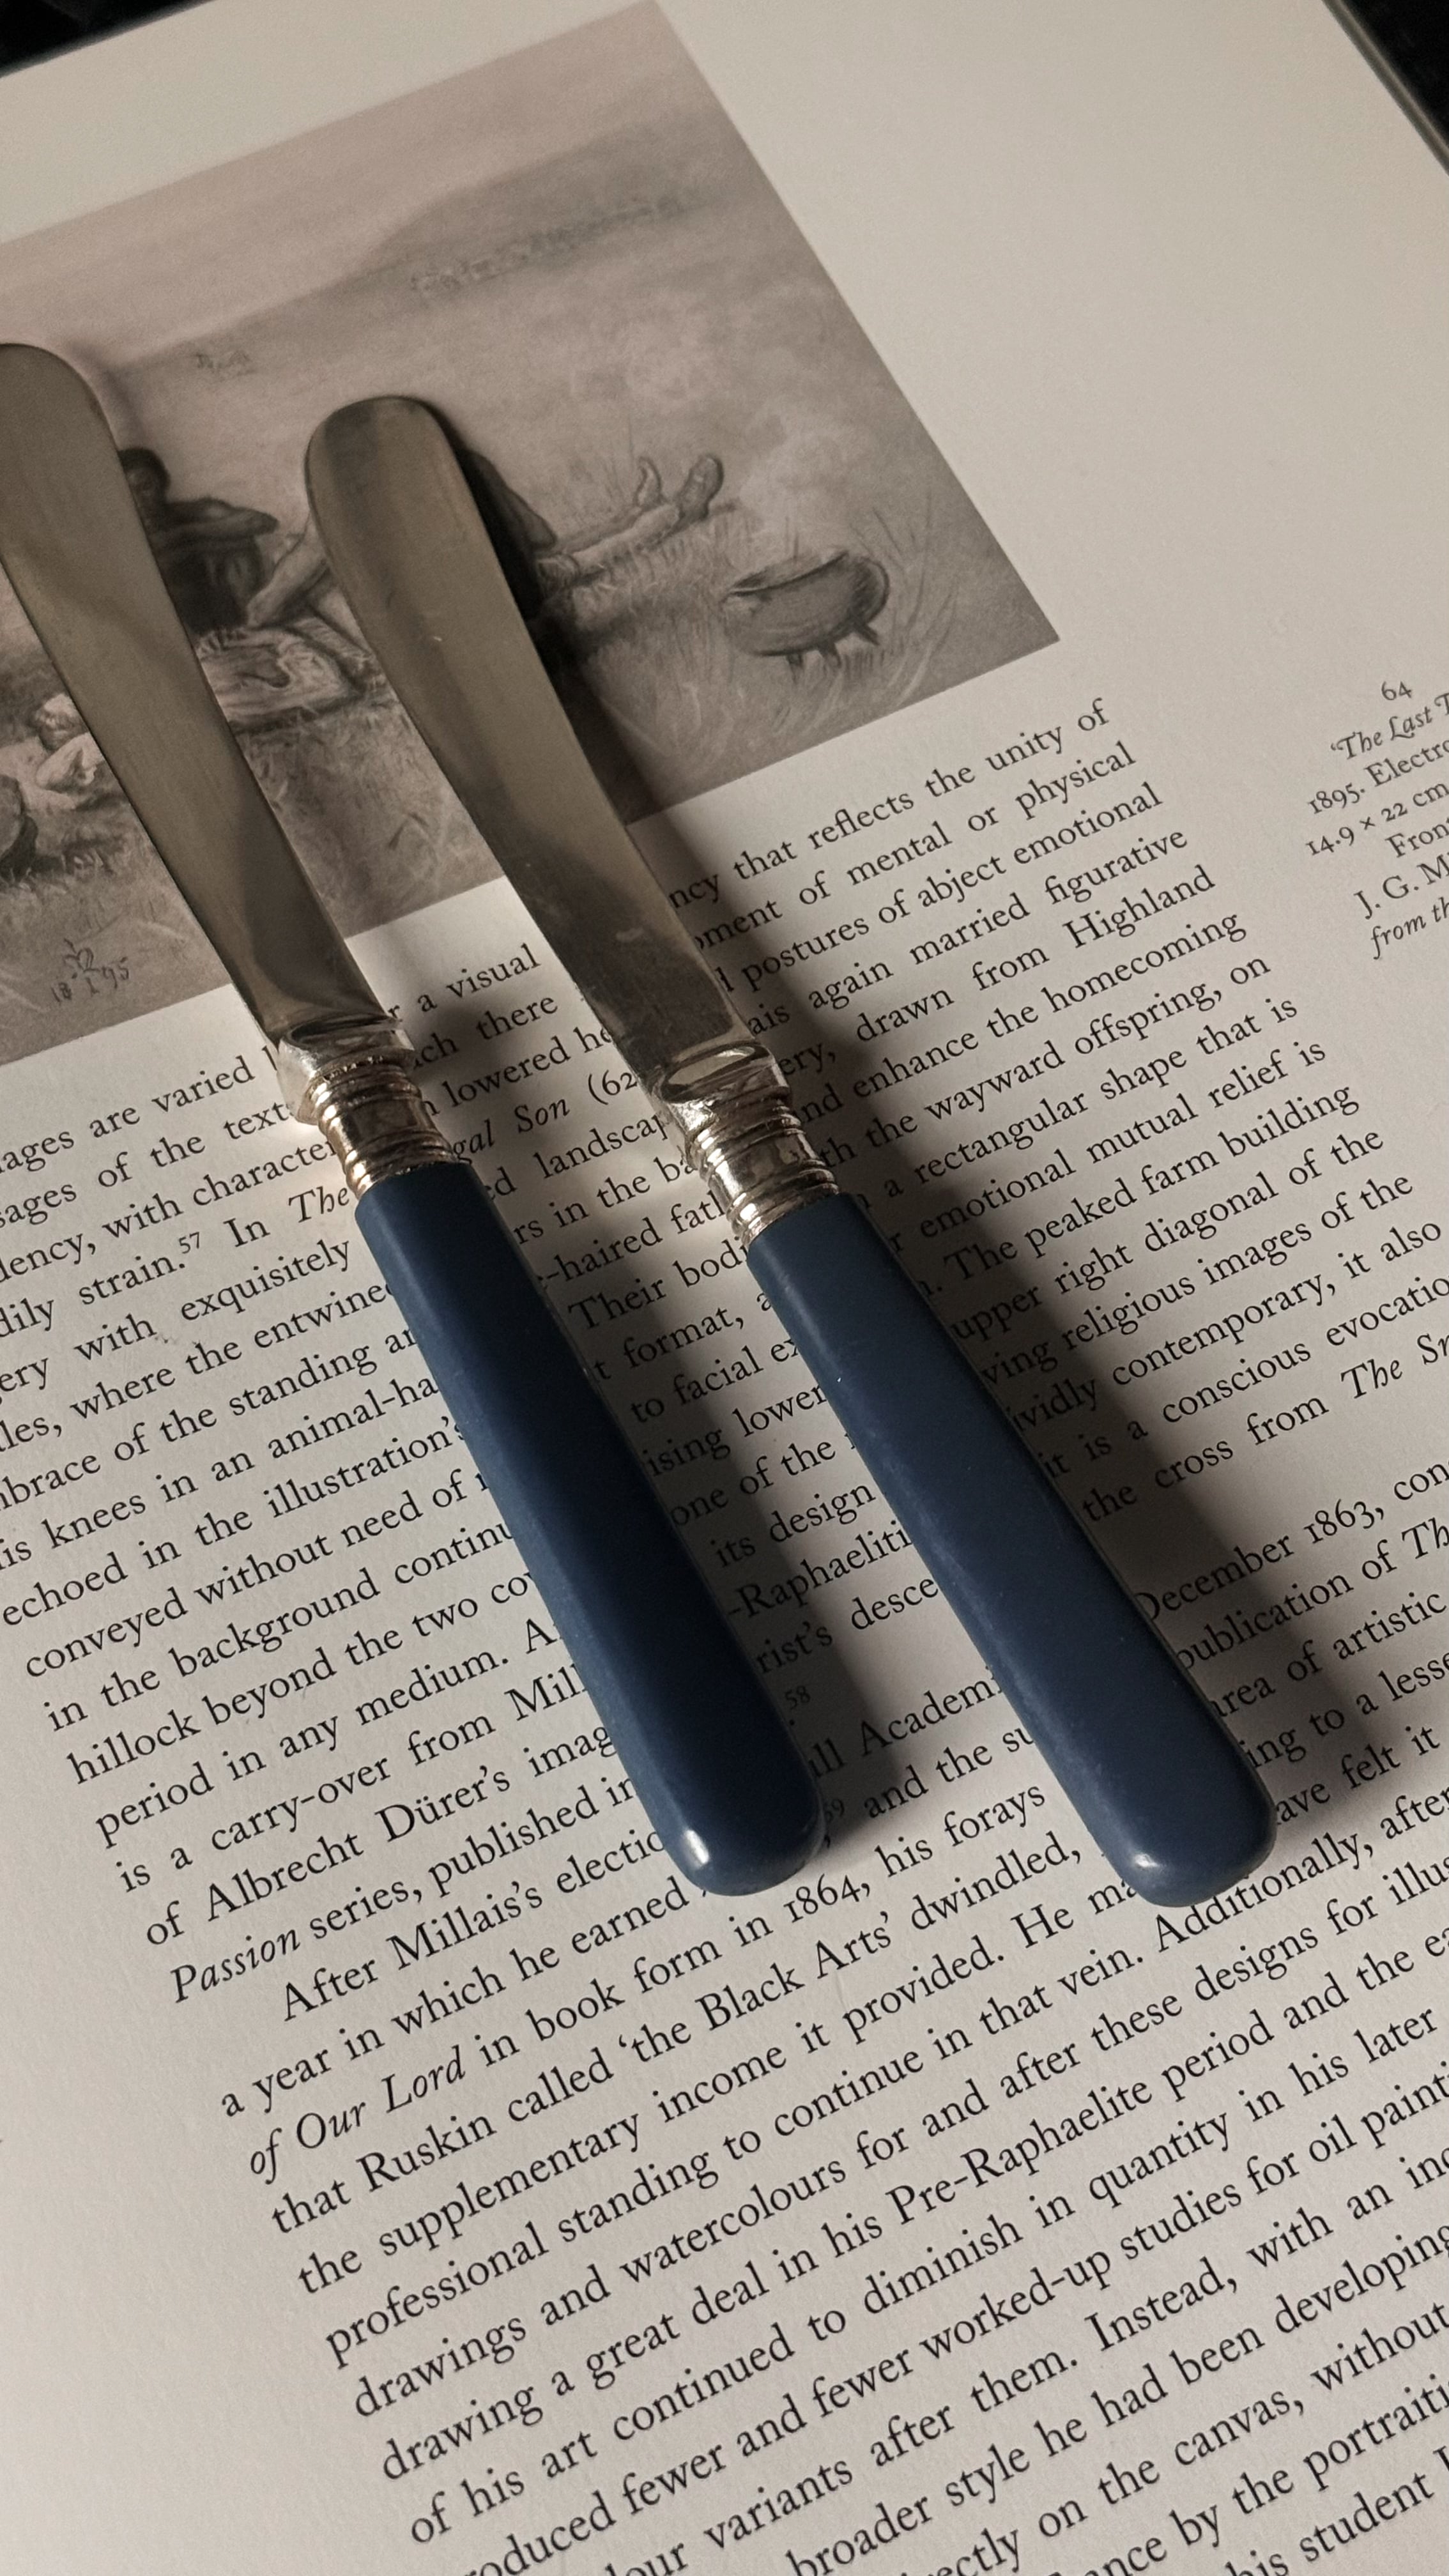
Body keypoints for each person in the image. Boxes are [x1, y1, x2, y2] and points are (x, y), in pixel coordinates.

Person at [119, 447, 277, 635]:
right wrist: (197, 545)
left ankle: (249, 624)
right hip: (170, 628)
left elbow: (263, 522)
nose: (139, 500)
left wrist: (186, 534)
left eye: (145, 487)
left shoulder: (193, 512)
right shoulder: (122, 536)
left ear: (163, 483)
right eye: (128, 492)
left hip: (229, 608)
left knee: (240, 544)